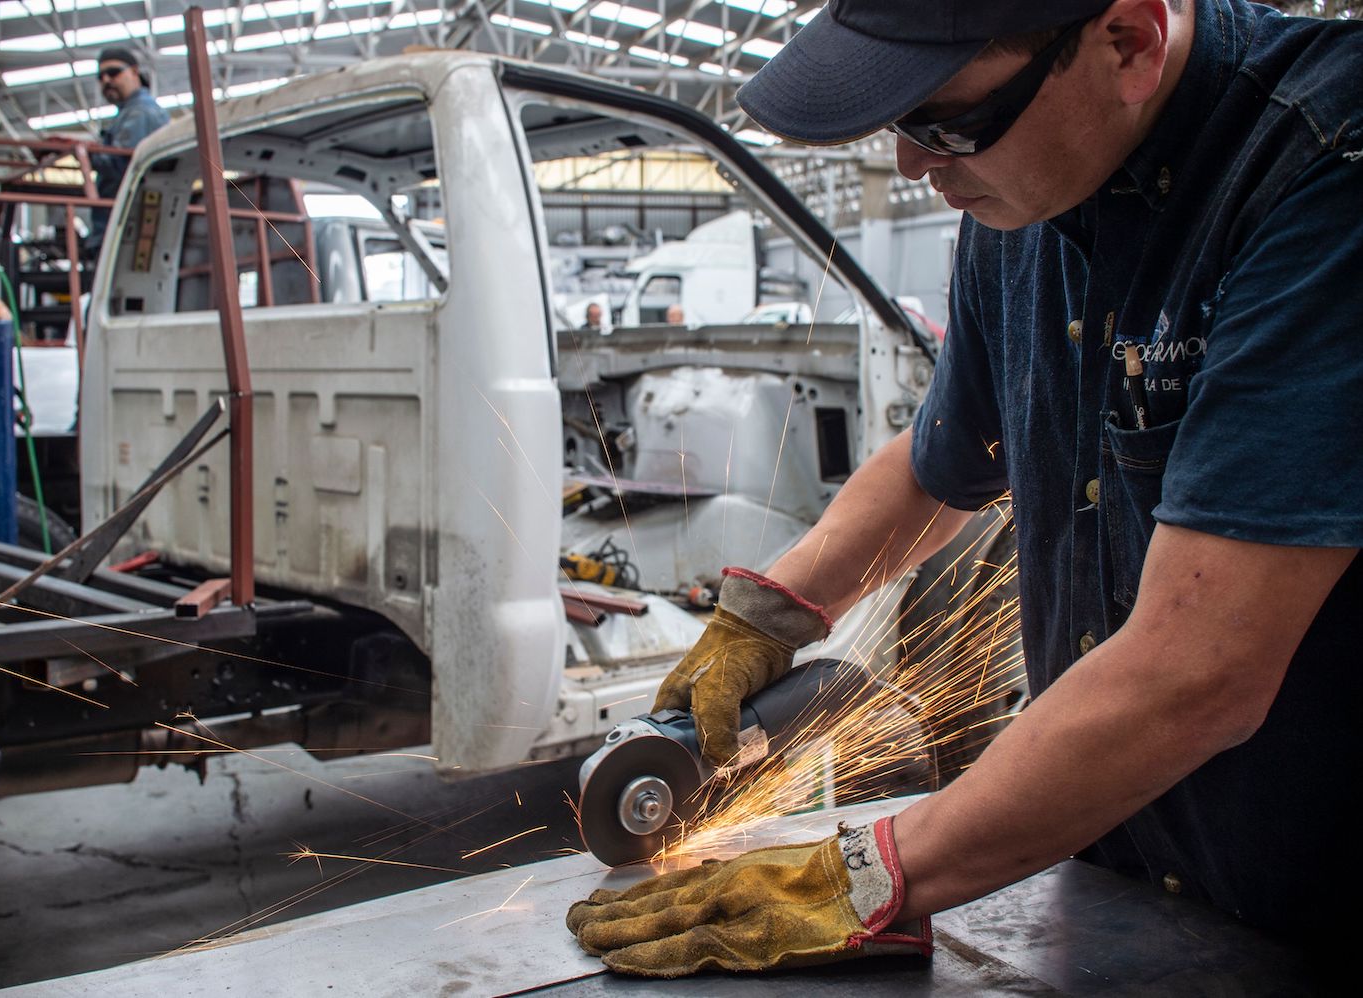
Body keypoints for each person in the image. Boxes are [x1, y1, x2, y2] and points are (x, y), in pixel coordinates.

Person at [567, 0, 1362, 980]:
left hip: (1316, 908)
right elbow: (943, 459)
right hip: (1119, 880)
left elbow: (1196, 668)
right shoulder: (1019, 192)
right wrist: (769, 615)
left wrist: (871, 871)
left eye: (946, 123)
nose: (911, 164)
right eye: (899, 123)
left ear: (1129, 42)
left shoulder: (1326, 164)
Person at [86, 46, 170, 251]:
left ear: (134, 72)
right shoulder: (128, 114)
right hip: (122, 223)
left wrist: (83, 152)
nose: (106, 80)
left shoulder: (141, 113)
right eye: (101, 76)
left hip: (127, 224)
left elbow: (120, 163)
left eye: (114, 73)